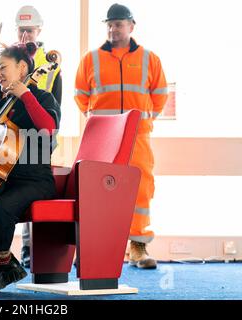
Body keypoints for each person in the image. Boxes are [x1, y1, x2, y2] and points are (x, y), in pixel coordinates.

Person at [0, 42, 61, 296]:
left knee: (0, 207)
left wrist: (25, 94)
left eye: (3, 67)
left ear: (23, 67)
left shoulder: (41, 97)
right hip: (3, 178)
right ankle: (6, 261)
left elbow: (48, 128)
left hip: (35, 180)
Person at [74, 3, 168, 269]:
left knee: (140, 188)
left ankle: (137, 246)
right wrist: (98, 124)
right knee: (101, 189)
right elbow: (80, 95)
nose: (113, 29)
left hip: (137, 136)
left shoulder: (151, 59)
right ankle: (100, 247)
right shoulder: (90, 60)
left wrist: (144, 121)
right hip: (104, 139)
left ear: (131, 26)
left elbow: (159, 97)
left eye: (118, 24)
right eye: (110, 24)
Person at [0, 5, 63, 269]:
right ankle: (5, 260)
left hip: (36, 145)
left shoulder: (50, 64)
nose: (25, 35)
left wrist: (26, 94)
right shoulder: (5, 60)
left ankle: (25, 257)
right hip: (8, 152)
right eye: (21, 30)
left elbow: (52, 115)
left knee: (13, 201)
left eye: (29, 30)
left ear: (38, 30)